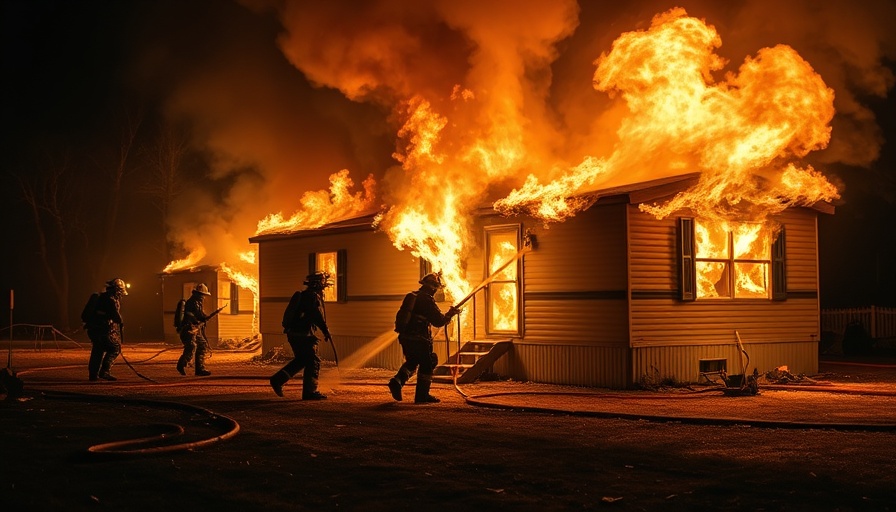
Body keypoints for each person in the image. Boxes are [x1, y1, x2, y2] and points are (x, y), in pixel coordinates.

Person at [388, 273, 459, 403]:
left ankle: (396, 381)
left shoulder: (412, 296)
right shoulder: (426, 300)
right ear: (433, 288)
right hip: (419, 339)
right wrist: (450, 314)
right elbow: (438, 321)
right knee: (428, 364)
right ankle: (422, 396)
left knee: (412, 362)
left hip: (405, 337)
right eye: (436, 288)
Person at [270, 271, 334, 400]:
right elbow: (316, 315)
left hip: (294, 333)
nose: (324, 285)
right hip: (303, 335)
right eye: (322, 283)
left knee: (302, 360)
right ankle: (310, 392)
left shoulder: (305, 295)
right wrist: (325, 330)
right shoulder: (312, 297)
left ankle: (278, 380)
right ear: (317, 284)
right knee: (313, 361)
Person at [86, 278, 127, 381]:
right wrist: (121, 323)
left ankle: (93, 374)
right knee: (115, 348)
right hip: (103, 330)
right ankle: (104, 371)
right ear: (117, 290)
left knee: (98, 350)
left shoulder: (100, 297)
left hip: (93, 329)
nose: (120, 295)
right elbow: (116, 317)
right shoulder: (111, 299)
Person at [176, 283, 219, 377]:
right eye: (202, 295)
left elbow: (200, 314)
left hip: (194, 329)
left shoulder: (198, 302)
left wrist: (205, 317)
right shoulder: (192, 302)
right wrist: (198, 320)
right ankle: (181, 364)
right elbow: (189, 315)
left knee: (202, 344)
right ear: (198, 294)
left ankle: (200, 369)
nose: (203, 297)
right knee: (191, 346)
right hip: (188, 329)